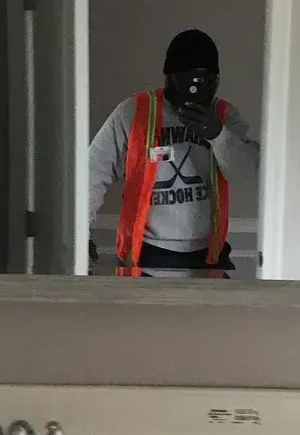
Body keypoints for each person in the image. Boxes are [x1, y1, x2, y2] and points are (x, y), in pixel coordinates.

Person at [88, 29, 260, 276]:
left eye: (204, 82)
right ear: (169, 77)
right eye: (188, 80)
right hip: (146, 258)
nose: (194, 90)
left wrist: (217, 134)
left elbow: (244, 172)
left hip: (207, 259)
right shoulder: (134, 112)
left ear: (215, 81)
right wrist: (81, 233)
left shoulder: (224, 115)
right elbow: (93, 172)